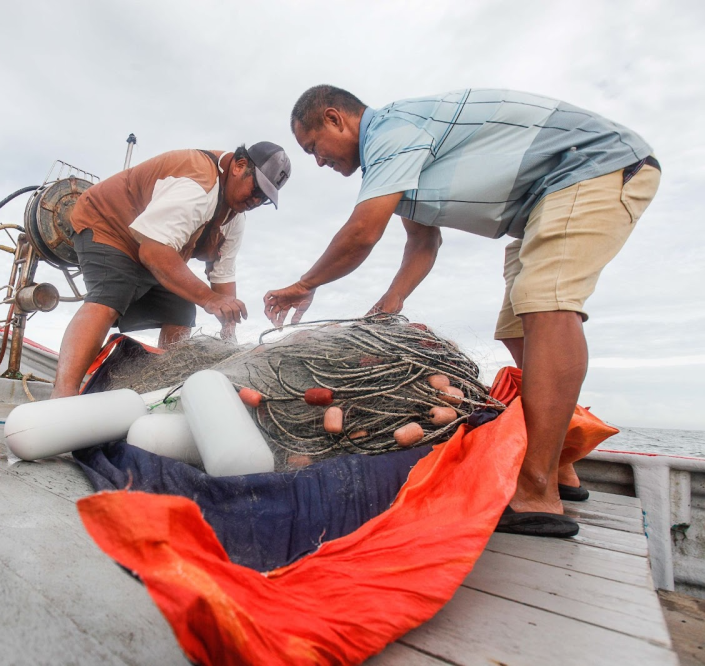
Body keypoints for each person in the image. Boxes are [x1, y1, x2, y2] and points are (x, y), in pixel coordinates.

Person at [264, 86, 660, 537]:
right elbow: (422, 242)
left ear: (336, 119)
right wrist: (389, 304)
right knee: (517, 329)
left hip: (594, 168)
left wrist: (304, 284)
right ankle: (562, 463)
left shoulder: (393, 132)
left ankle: (536, 493)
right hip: (543, 205)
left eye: (314, 147)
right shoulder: (397, 161)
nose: (318, 161)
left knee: (546, 304)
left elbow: (361, 233)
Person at [51, 142, 292, 399]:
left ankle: (162, 390)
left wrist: (228, 336)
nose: (256, 200)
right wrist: (210, 299)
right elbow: (153, 252)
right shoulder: (198, 185)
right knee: (111, 293)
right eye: (256, 189)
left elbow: (223, 275)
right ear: (239, 166)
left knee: (182, 310)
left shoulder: (235, 217)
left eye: (264, 198)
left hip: (155, 248)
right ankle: (63, 395)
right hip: (110, 226)